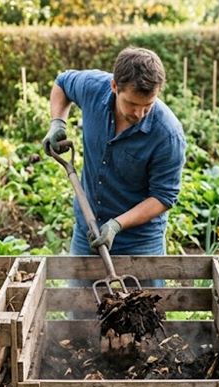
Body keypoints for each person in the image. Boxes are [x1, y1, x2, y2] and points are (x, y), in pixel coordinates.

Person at [42, 47, 186, 274]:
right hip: (86, 230)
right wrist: (57, 123)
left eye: (147, 106)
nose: (139, 114)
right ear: (114, 86)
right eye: (132, 104)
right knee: (77, 304)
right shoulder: (93, 88)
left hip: (139, 244)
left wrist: (116, 224)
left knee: (143, 309)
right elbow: (62, 83)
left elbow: (163, 197)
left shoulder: (168, 134)